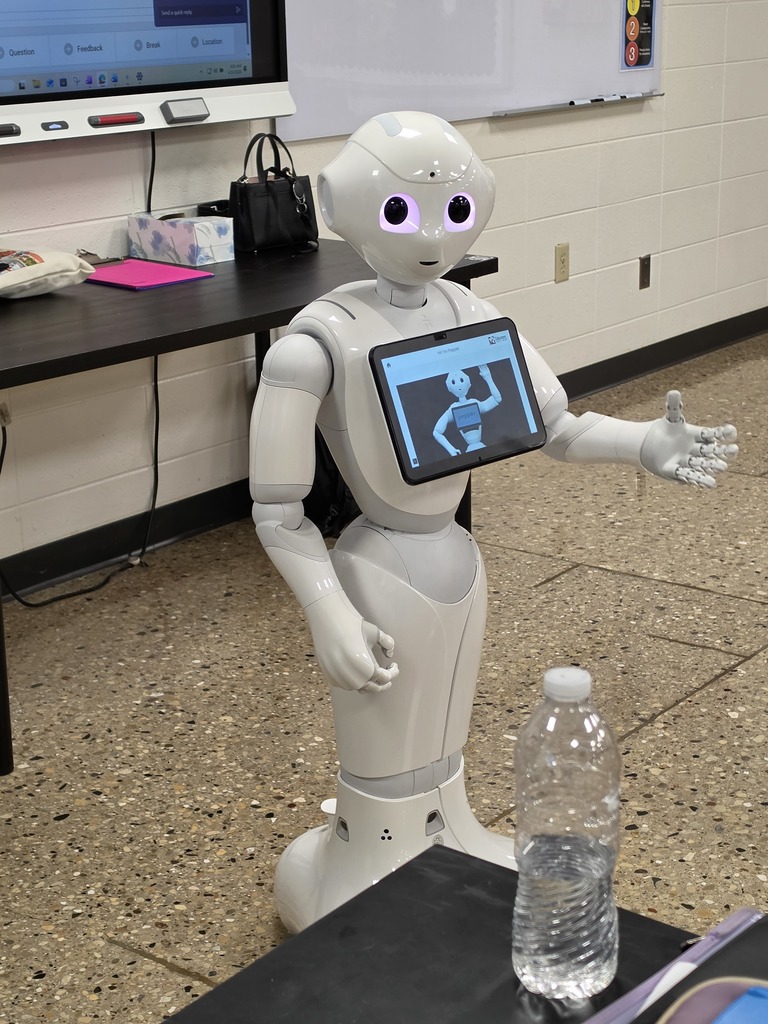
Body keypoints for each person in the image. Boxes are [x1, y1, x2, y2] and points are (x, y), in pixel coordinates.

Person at [249, 111, 738, 931]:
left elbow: (557, 427)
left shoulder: (469, 314)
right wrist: (328, 607)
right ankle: (370, 850)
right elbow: (277, 509)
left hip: (456, 560)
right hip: (374, 566)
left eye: (455, 210)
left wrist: (643, 443)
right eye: (404, 211)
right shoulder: (316, 345)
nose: (433, 235)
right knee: (388, 720)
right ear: (343, 205)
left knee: (443, 722)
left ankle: (446, 827)